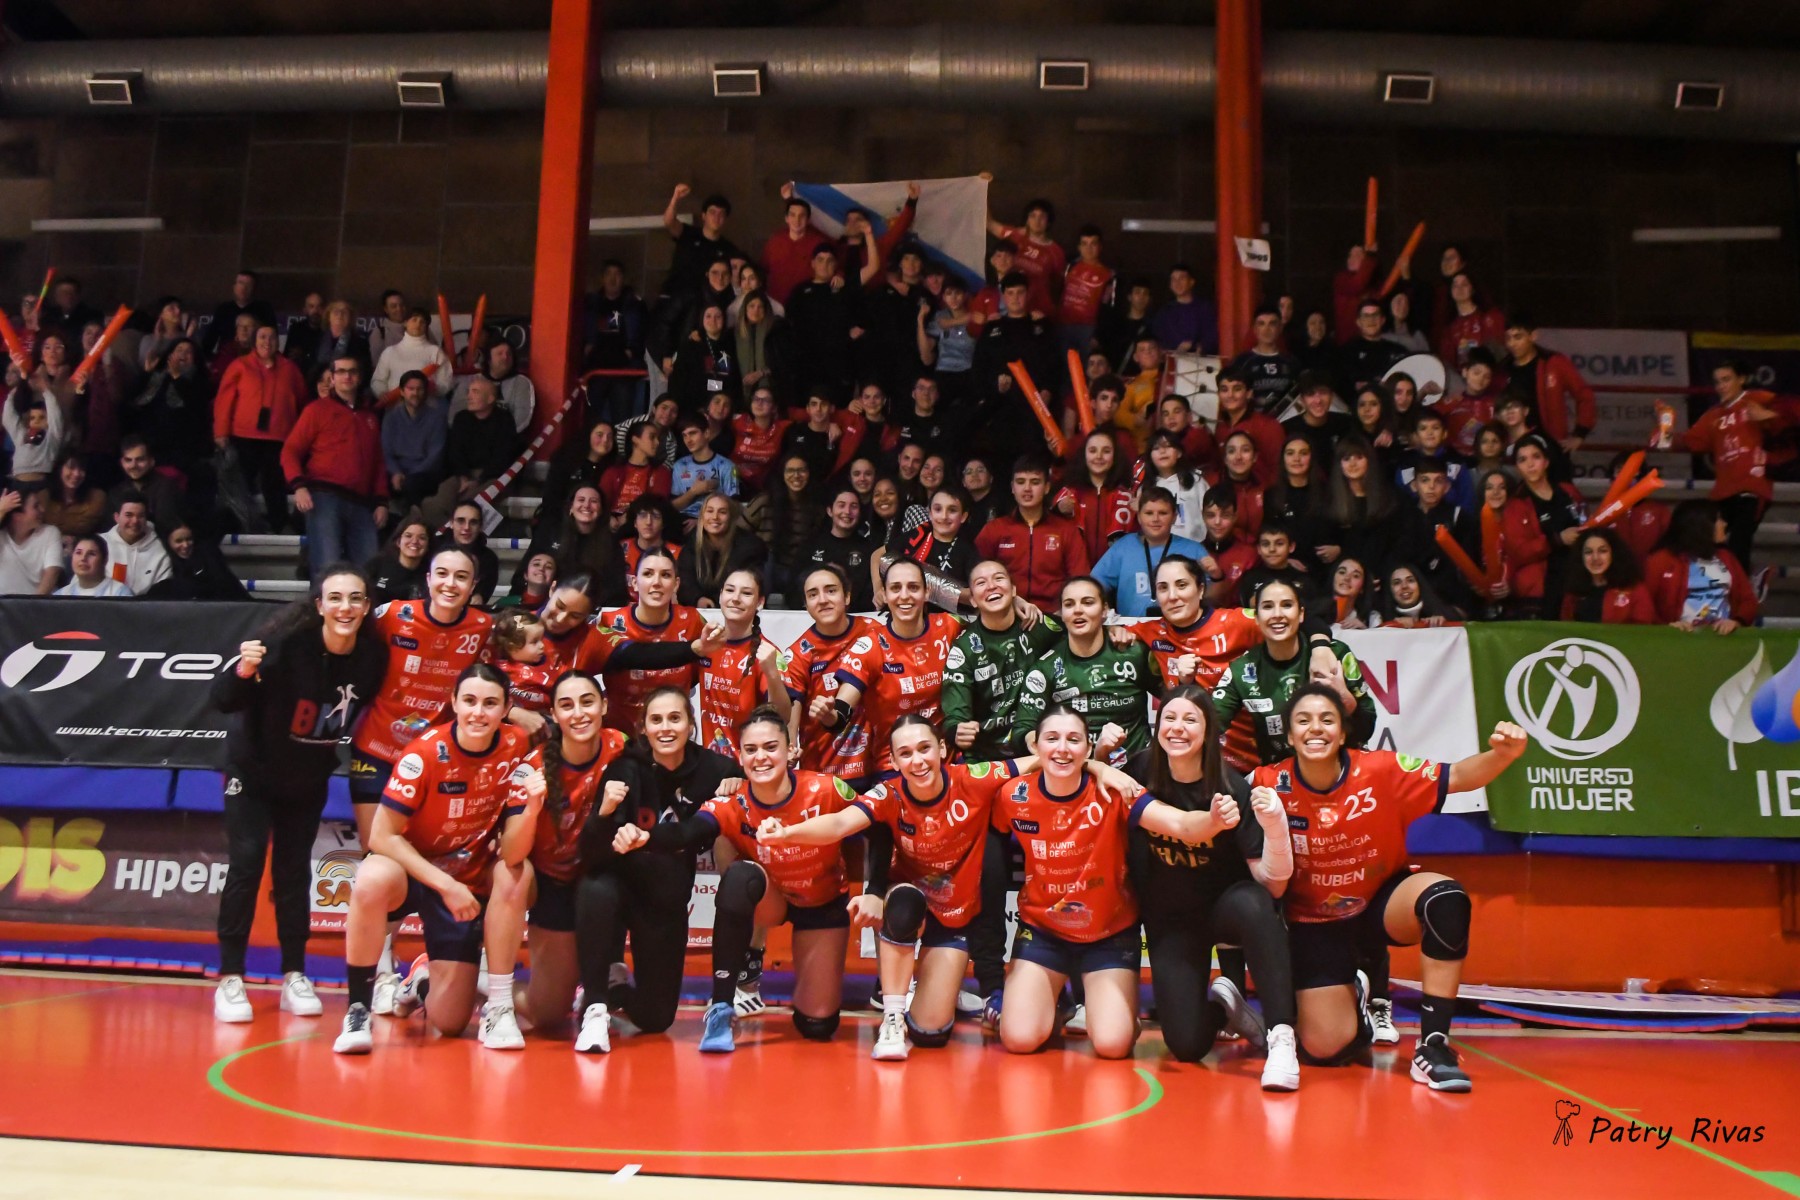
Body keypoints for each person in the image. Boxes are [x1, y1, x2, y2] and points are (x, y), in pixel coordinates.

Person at [1253, 685, 1528, 1090]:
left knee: (1445, 899)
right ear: (1290, 736)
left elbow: (1459, 777)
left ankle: (1434, 1046)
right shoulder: (1267, 782)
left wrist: (1504, 754)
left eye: (1327, 720)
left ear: (1343, 733)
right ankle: (1358, 995)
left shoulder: (1380, 769)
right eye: (1304, 721)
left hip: (1379, 905)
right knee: (1326, 1048)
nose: (1316, 728)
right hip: (1313, 923)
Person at [990, 705, 1229, 1059]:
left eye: (1074, 740)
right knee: (1019, 1039)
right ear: (1036, 747)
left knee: (1113, 1045)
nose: (1062, 748)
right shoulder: (1013, 795)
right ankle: (1056, 1003)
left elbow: (1179, 824)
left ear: (1088, 748)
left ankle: (1116, 1014)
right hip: (1043, 931)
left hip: (1108, 934)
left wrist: (1213, 820)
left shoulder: (1114, 792)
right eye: (1052, 739)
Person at [211, 565, 386, 1024]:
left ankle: (294, 974)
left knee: (293, 874)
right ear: (320, 606)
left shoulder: (371, 656)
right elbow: (223, 699)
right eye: (336, 598)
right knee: (247, 864)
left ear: (366, 607)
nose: (345, 607)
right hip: (253, 773)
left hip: (307, 778)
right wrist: (244, 669)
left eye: (355, 598)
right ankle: (231, 977)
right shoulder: (284, 647)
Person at [333, 664, 535, 1054]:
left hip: (467, 876)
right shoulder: (423, 753)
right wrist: (445, 884)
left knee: (450, 1022)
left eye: (490, 703)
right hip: (412, 872)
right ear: (454, 702)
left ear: (506, 707)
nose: (478, 712)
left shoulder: (518, 745)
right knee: (371, 879)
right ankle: (357, 1009)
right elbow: (381, 835)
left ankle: (421, 983)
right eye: (469, 701)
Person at [1126, 687, 1300, 1089]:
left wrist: (1276, 830)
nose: (1178, 728)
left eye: (1191, 720)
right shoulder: (1138, 771)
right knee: (1186, 1045)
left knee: (1256, 904)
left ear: (1209, 731)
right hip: (1172, 921)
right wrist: (1100, 762)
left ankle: (1281, 1035)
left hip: (1224, 909)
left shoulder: (1233, 787)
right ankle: (1226, 1010)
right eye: (1169, 718)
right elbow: (1098, 779)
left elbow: (1273, 885)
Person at [347, 547, 493, 1010]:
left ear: (473, 586)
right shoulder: (392, 615)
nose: (450, 583)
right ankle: (381, 972)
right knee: (379, 860)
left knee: (432, 854)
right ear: (427, 579)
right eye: (442, 574)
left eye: (461, 577)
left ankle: (439, 963)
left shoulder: (484, 628)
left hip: (436, 763)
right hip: (377, 752)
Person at [561, 686, 743, 1052]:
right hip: (618, 888)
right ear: (643, 728)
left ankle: (616, 987)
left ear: (690, 724)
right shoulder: (625, 768)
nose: (665, 728)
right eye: (656, 720)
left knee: (656, 1018)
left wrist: (739, 782)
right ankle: (595, 1005)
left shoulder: (716, 769)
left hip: (664, 899)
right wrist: (607, 818)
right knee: (595, 887)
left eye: (675, 718)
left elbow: (739, 792)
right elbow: (590, 852)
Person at [686, 708, 873, 1052]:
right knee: (738, 876)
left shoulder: (827, 788)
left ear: (790, 750)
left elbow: (876, 821)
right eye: (751, 750)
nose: (761, 757)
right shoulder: (732, 799)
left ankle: (811, 990)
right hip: (769, 897)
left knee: (817, 1024)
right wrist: (643, 836)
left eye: (771, 747)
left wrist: (875, 891)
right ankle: (723, 1006)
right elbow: (686, 832)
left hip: (821, 901)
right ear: (740, 757)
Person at [498, 672, 631, 1041]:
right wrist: (532, 807)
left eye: (587, 702)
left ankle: (608, 972)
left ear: (604, 706)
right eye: (567, 705)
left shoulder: (620, 744)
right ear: (554, 714)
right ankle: (486, 987)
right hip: (550, 884)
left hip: (596, 879)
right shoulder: (533, 767)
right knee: (548, 1015)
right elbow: (511, 853)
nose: (579, 713)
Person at [1212, 578, 1376, 766]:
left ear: (1301, 614)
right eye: (1268, 607)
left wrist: (1347, 702)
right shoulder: (1243, 669)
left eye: (1287, 605)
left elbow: (1367, 728)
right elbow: (1211, 725)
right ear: (1256, 617)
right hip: (1281, 776)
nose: (1277, 614)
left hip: (1341, 770)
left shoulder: (1335, 654)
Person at [831, 559, 963, 780]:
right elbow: (841, 710)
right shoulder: (871, 645)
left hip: (946, 761)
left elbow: (993, 623)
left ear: (927, 592)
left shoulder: (950, 626)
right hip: (893, 768)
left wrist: (1013, 602)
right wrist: (831, 714)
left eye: (913, 587)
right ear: (884, 594)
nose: (904, 596)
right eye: (895, 588)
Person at [1010, 577, 1162, 762]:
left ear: (1104, 610)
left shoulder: (1134, 653)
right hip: (1075, 768)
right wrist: (1039, 743)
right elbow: (1022, 730)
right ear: (1062, 614)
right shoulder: (1046, 668)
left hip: (1138, 766)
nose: (1078, 610)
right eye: (1069, 604)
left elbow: (1171, 695)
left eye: (1088, 602)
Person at [282, 354, 388, 579]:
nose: (347, 376)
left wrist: (381, 501)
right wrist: (299, 486)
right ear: (331, 378)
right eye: (341, 371)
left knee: (368, 571)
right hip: (324, 497)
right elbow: (290, 451)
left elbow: (378, 462)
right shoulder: (316, 410)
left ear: (359, 377)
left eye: (352, 371)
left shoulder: (369, 417)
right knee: (327, 567)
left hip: (362, 503)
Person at [1682, 360, 1789, 571]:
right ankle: (1742, 581)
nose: (1721, 386)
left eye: (1726, 379)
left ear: (1742, 379)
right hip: (1722, 493)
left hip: (1752, 489)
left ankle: (1742, 584)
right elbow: (1689, 441)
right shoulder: (1713, 416)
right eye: (1717, 382)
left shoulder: (1759, 399)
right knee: (1704, 543)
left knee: (1739, 545)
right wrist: (1665, 437)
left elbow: (1793, 415)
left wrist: (1770, 416)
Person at [780, 564, 884, 779]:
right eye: (813, 594)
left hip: (877, 766)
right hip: (824, 772)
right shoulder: (799, 653)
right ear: (805, 604)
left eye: (831, 590)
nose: (823, 600)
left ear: (847, 597)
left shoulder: (873, 632)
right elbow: (791, 715)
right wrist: (789, 748)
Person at [214, 323, 308, 534]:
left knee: (274, 483)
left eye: (272, 337)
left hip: (278, 437)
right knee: (240, 483)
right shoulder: (240, 365)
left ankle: (280, 526)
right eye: (262, 337)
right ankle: (239, 525)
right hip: (243, 436)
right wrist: (221, 432)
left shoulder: (290, 369)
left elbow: (302, 402)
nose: (267, 342)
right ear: (255, 342)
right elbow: (224, 401)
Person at [974, 454, 1091, 612]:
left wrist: (1065, 611)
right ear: (1012, 487)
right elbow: (976, 577)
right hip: (1006, 614)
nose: (1027, 488)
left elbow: (1080, 580)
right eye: (1020, 482)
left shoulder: (1066, 530)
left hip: (1055, 615)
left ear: (1047, 487)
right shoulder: (994, 529)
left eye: (1035, 482)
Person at [694, 567, 790, 756]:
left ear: (760, 602)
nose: (736, 598)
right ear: (720, 595)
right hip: (710, 763)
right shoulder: (707, 644)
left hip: (749, 765)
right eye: (730, 590)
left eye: (746, 593)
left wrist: (772, 674)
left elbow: (783, 717)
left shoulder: (768, 653)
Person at [1091, 486, 1209, 617]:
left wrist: (1216, 577)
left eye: (1163, 513)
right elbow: (1092, 586)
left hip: (1180, 627)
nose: (1155, 519)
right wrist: (1103, 608)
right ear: (1139, 517)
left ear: (1174, 517)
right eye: (1149, 513)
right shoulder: (1122, 547)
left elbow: (1211, 596)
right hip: (1130, 628)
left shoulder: (1194, 550)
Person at [1644, 499, 1758, 633]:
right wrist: (1667, 627)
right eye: (1719, 519)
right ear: (1702, 525)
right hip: (1676, 639)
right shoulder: (1660, 560)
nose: (1725, 524)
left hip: (1722, 638)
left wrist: (1737, 621)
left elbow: (1748, 599)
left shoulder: (1727, 557)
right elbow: (1645, 605)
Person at [519, 484, 626, 605]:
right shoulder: (549, 534)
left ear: (601, 510)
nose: (586, 505)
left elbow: (617, 591)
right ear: (571, 507)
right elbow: (524, 572)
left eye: (593, 501)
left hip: (593, 608)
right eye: (581, 500)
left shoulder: (611, 544)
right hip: (548, 604)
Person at [1500, 317, 1595, 449]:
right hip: (1514, 446)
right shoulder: (1503, 369)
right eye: (1508, 338)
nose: (1512, 343)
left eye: (1518, 337)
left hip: (1551, 446)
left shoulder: (1554, 362)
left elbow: (1584, 395)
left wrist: (1579, 434)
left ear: (1533, 336)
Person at [1055, 430, 1137, 560]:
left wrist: (1140, 511)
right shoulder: (1070, 492)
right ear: (1084, 455)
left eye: (1106, 451)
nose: (1099, 456)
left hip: (1115, 568)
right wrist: (1060, 509)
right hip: (1076, 569)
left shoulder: (1125, 496)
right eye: (1092, 451)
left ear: (1115, 456)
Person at [800, 485, 879, 612]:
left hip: (855, 616)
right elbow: (794, 586)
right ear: (830, 511)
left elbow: (871, 593)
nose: (847, 511)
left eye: (854, 506)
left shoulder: (869, 549)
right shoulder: (811, 544)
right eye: (841, 505)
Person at [380, 370, 447, 517]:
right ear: (402, 391)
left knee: (412, 485)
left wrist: (408, 476)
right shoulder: (391, 417)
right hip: (397, 471)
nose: (415, 393)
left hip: (424, 473)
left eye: (420, 389)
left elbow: (435, 456)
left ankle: (414, 521)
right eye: (411, 389)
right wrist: (396, 472)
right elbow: (386, 451)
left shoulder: (436, 418)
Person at [678, 492, 764, 607]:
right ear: (702, 516)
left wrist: (714, 602)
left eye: (722, 512)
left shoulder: (749, 547)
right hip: (698, 609)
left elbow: (749, 585)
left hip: (736, 607)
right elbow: (685, 580)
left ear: (731, 517)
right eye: (710, 511)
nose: (715, 517)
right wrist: (698, 599)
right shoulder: (691, 543)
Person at [1562, 530, 1656, 624]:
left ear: (1613, 554)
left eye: (1602, 551)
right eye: (1588, 552)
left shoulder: (1634, 589)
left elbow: (1644, 628)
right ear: (1581, 557)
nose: (1595, 558)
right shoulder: (1573, 592)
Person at [1227, 305, 1302, 412]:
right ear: (1254, 329)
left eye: (1272, 324)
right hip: (1252, 419)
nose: (1267, 329)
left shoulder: (1292, 362)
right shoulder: (1241, 362)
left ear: (1280, 328)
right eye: (1261, 324)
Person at [147, 524, 250, 601]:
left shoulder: (208, 557)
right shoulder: (164, 562)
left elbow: (227, 586)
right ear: (168, 543)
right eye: (179, 541)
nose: (185, 545)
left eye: (189, 539)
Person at [369, 306, 454, 398]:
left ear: (426, 327)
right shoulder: (390, 352)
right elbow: (378, 380)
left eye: (422, 322)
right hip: (395, 404)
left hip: (428, 403)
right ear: (405, 323)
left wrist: (434, 389)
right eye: (414, 320)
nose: (418, 324)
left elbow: (446, 380)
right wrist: (382, 393)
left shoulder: (435, 352)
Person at [99, 490, 170, 594]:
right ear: (116, 517)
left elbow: (164, 591)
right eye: (129, 515)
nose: (135, 521)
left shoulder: (160, 550)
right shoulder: (99, 544)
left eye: (140, 516)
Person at [670, 415, 740, 521]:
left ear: (706, 433)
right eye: (684, 435)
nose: (688, 440)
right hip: (683, 522)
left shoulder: (727, 466)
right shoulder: (679, 466)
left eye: (693, 433)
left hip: (714, 522)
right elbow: (672, 508)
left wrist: (701, 521)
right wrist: (693, 492)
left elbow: (734, 508)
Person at [0, 484, 64, 596]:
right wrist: (1, 510)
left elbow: (52, 573)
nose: (42, 510)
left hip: (36, 603)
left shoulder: (50, 533)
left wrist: (34, 604)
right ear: (17, 516)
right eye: (36, 506)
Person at [201, 270, 277, 355]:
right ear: (234, 286)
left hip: (255, 357)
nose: (243, 288)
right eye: (240, 283)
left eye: (248, 285)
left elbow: (272, 336)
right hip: (227, 357)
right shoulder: (224, 309)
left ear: (254, 288)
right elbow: (211, 337)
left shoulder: (263, 309)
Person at [1373, 562, 1464, 628]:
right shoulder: (1379, 619)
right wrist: (1395, 626)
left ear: (1420, 585)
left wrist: (1444, 624)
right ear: (1390, 590)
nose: (1404, 586)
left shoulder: (1449, 613)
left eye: (1410, 580)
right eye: (1397, 583)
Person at [364, 518, 430, 606]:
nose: (414, 541)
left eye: (422, 538)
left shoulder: (431, 572)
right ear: (398, 541)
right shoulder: (378, 563)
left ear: (428, 545)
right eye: (408, 536)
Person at [55, 533, 132, 597]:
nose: (83, 558)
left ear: (105, 560)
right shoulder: (61, 596)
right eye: (78, 553)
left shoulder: (120, 594)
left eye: (91, 554)